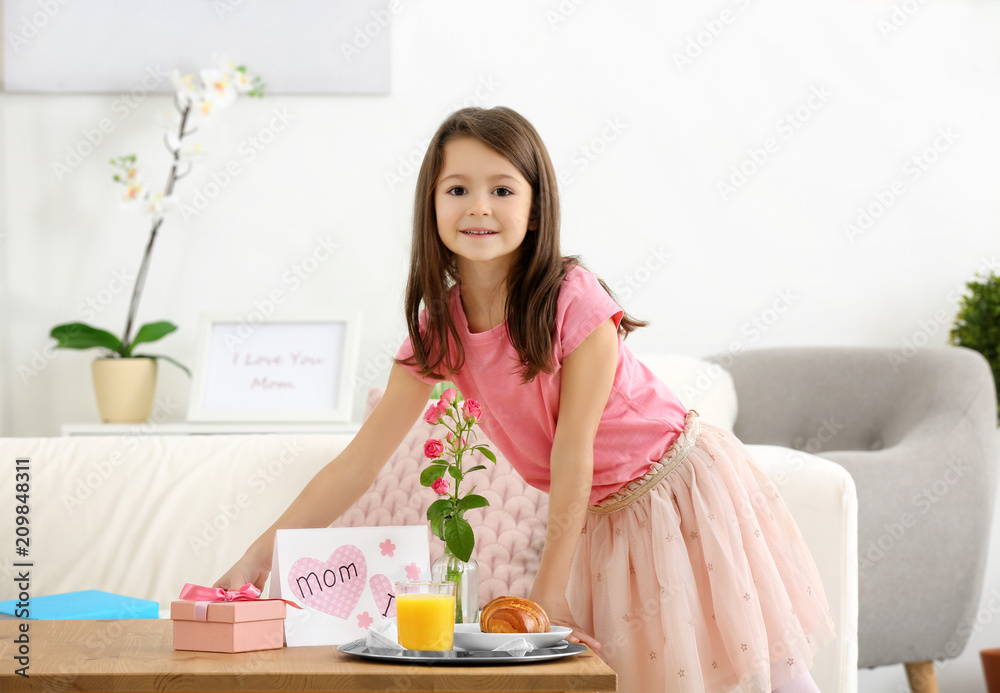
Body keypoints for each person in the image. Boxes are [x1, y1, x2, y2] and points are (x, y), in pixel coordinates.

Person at [215, 106, 835, 693]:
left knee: (756, 670)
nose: (478, 207)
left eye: (503, 190)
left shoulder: (574, 298)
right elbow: (358, 462)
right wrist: (258, 554)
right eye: (457, 190)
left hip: (678, 490)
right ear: (430, 206)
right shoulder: (442, 331)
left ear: (536, 209)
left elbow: (573, 453)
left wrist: (550, 587)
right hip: (606, 517)